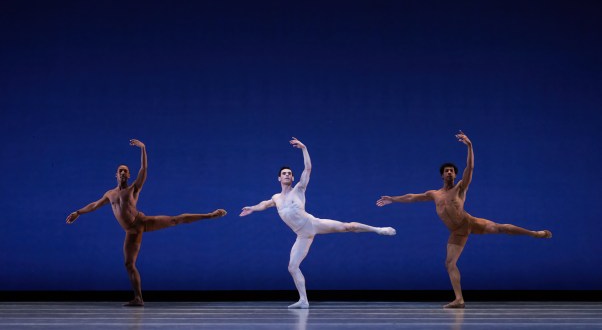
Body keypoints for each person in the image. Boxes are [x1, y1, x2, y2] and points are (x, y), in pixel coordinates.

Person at [376, 131, 552, 309]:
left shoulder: (460, 187)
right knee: (449, 263)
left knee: (500, 228)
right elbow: (412, 197)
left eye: (452, 170)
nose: (450, 172)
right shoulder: (434, 194)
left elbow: (470, 168)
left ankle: (534, 233)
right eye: (447, 171)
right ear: (442, 176)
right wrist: (393, 199)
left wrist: (469, 146)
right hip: (457, 232)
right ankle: (459, 299)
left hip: (469, 222)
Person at [66, 139, 227, 306]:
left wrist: (143, 148)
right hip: (131, 232)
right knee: (129, 264)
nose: (122, 173)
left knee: (174, 220)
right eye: (120, 170)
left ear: (128, 175)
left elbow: (144, 169)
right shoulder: (110, 194)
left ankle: (210, 215)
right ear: (116, 174)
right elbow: (94, 205)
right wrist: (78, 212)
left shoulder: (133, 188)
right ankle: (138, 298)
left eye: (125, 171)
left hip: (141, 221)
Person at [240, 137, 396, 309]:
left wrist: (304, 148)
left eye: (289, 173)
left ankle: (378, 230)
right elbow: (264, 204)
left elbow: (308, 168)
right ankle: (304, 301)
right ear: (278, 178)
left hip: (312, 224)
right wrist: (253, 208)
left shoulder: (299, 189)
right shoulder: (276, 198)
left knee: (348, 227)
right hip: (302, 235)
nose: (287, 175)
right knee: (292, 267)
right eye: (284, 173)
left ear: (292, 178)